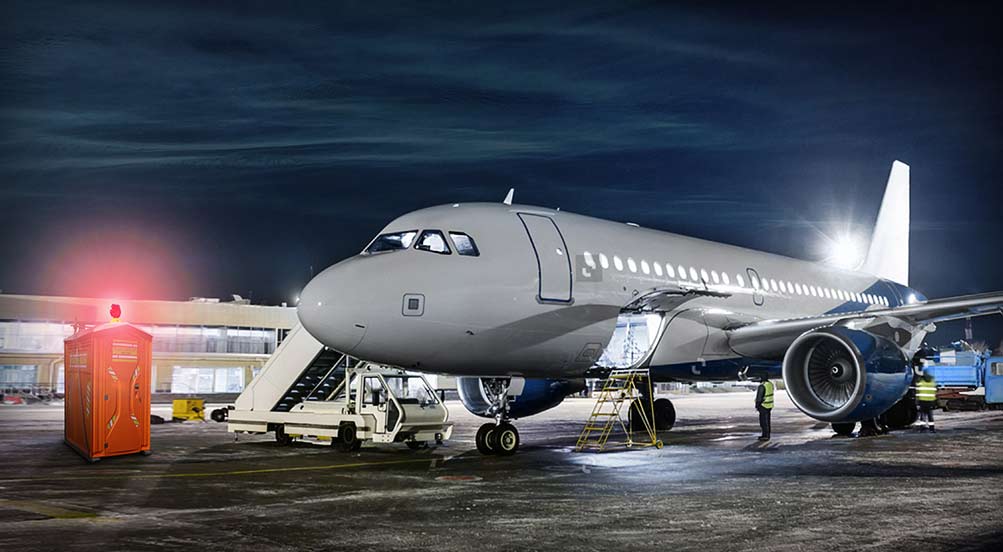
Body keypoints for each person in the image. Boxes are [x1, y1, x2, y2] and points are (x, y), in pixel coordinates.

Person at [755, 376, 774, 441]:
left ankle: (765, 435)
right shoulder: (770, 384)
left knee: (763, 422)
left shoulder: (762, 386)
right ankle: (767, 435)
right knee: (767, 421)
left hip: (763, 406)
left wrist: (757, 405)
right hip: (769, 405)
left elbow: (759, 397)